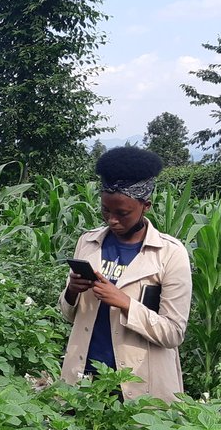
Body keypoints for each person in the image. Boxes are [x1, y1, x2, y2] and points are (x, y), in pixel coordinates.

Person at [59, 146, 192, 401]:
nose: (112, 220)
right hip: (84, 380)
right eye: (106, 210)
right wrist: (72, 292)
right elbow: (68, 315)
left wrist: (125, 303)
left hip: (139, 387)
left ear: (146, 206)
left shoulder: (170, 254)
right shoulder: (88, 243)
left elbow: (173, 333)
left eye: (122, 213)